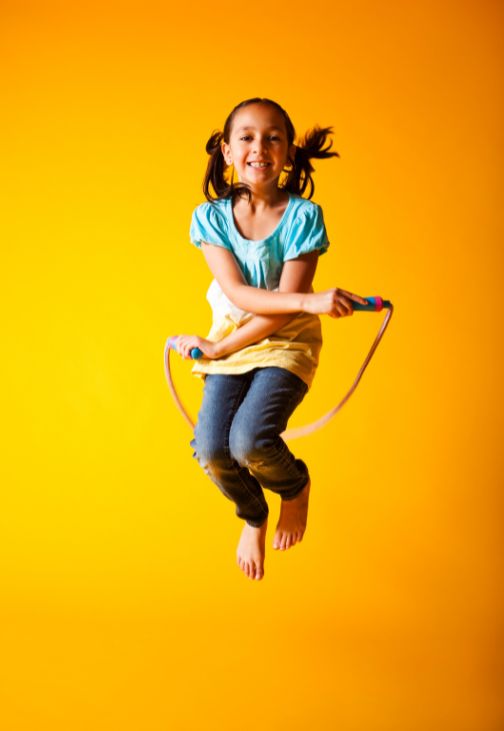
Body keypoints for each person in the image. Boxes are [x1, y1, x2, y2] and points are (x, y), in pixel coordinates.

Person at [176, 97, 367, 581]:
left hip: (286, 341)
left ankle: (294, 488)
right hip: (233, 340)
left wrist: (303, 305)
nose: (259, 147)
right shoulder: (211, 218)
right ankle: (253, 515)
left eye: (273, 138)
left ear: (288, 153)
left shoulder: (303, 217)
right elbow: (239, 293)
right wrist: (222, 347)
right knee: (212, 451)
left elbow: (283, 312)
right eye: (247, 137)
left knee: (249, 441)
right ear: (226, 150)